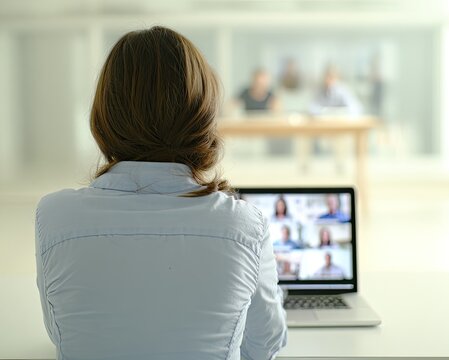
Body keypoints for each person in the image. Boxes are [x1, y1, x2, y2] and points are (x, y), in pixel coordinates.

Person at [35, 26, 286, 360]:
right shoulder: (244, 225)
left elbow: (60, 334)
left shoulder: (55, 216)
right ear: (203, 112)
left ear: (105, 113)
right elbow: (264, 347)